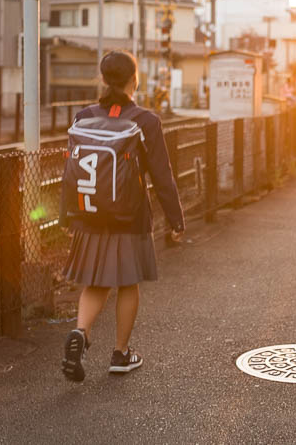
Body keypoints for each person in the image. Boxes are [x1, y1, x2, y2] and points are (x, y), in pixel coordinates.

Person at [60, 50, 185, 382]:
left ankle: (81, 332)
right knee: (128, 282)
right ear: (135, 79)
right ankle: (120, 354)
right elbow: (162, 176)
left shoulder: (82, 116)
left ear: (102, 79)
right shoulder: (145, 121)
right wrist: (176, 220)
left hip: (88, 214)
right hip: (130, 217)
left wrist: (66, 217)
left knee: (95, 281)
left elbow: (68, 171)